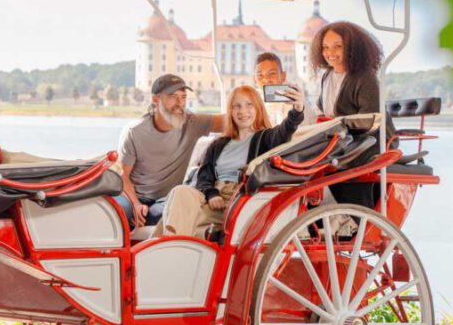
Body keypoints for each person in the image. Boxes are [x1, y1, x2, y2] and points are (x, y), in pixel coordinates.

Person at [156, 84, 305, 238]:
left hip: (239, 197)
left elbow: (284, 131)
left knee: (179, 215)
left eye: (249, 105)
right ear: (231, 111)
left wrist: (297, 110)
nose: (242, 111)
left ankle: (171, 246)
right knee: (179, 192)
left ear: (258, 108)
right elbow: (204, 176)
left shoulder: (265, 138)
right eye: (236, 106)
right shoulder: (218, 144)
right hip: (212, 196)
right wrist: (212, 194)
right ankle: (174, 244)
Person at [115, 74, 224, 229]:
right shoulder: (135, 131)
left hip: (167, 199)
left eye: (183, 97)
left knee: (171, 209)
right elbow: (123, 176)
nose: (180, 103)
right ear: (155, 100)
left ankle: (149, 219)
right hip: (135, 195)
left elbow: (230, 121)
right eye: (173, 97)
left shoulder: (192, 123)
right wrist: (136, 204)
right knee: (120, 212)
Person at [308, 20, 394, 208]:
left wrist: (337, 125)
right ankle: (320, 212)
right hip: (342, 139)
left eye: (338, 46)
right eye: (325, 47)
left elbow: (370, 120)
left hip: (371, 140)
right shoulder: (327, 76)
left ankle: (352, 214)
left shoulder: (364, 77)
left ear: (352, 47)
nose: (330, 52)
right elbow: (322, 111)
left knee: (330, 163)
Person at [254, 51, 316, 126]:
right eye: (260, 75)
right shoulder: (253, 100)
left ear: (283, 76)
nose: (266, 79)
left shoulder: (293, 98)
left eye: (272, 73)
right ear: (255, 79)